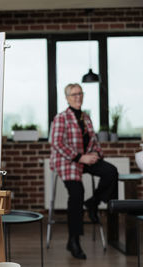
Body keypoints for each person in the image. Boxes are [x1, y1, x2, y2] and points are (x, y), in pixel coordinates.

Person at [50, 83, 118, 260]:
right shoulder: (61, 118)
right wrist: (80, 157)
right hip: (68, 160)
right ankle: (74, 241)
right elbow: (57, 143)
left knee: (111, 171)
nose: (78, 97)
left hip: (86, 157)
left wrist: (95, 153)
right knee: (77, 192)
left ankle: (93, 203)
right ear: (67, 98)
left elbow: (94, 140)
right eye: (73, 94)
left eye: (80, 93)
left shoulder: (86, 117)